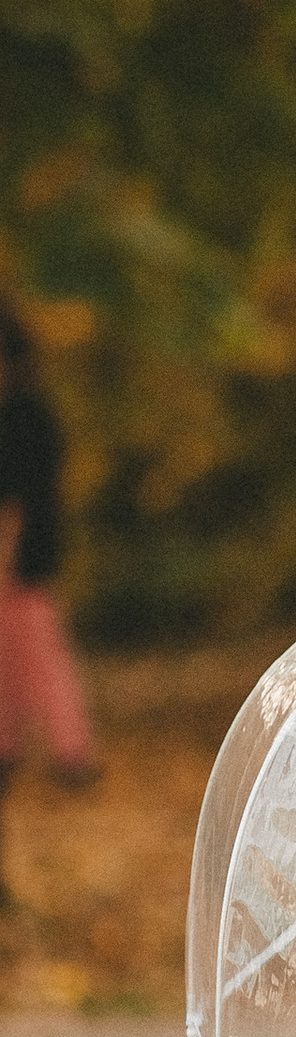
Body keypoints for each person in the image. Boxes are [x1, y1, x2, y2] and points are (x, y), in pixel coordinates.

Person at [0, 305, 98, 902]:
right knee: (24, 658)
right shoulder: (33, 415)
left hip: (22, 568)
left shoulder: (24, 419)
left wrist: (8, 551)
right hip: (30, 564)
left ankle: (69, 750)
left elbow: (17, 501)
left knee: (31, 653)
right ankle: (50, 747)